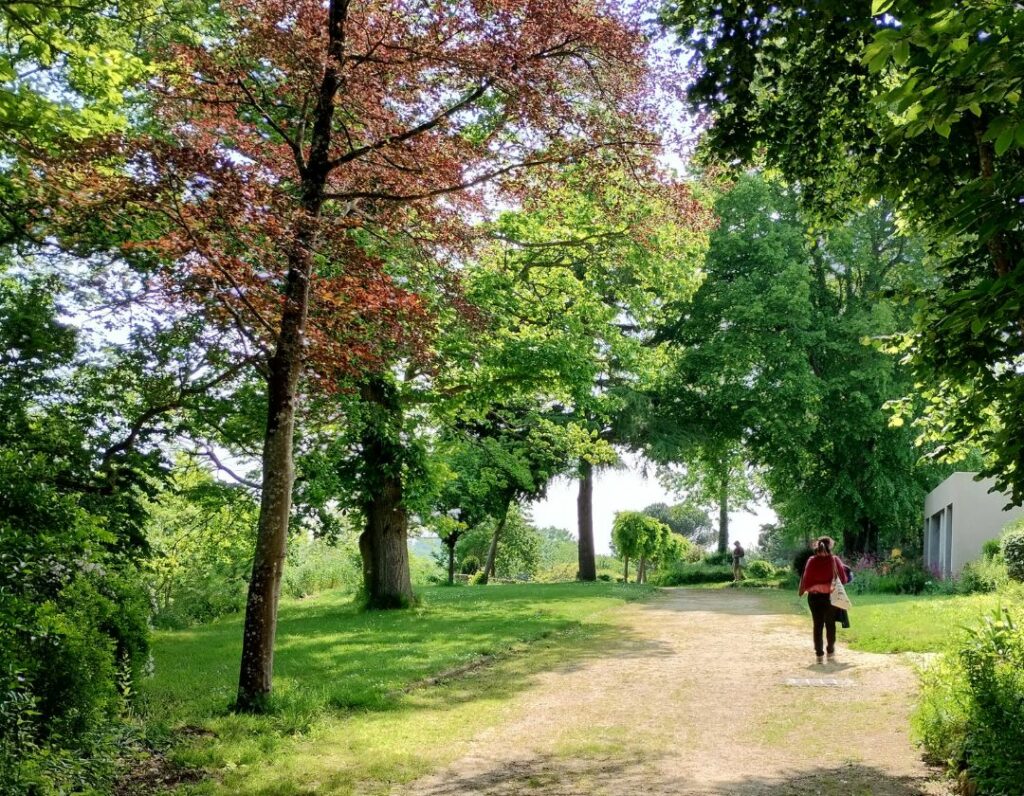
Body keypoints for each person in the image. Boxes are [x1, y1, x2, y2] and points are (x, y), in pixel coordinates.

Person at [797, 536, 849, 664]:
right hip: (830, 597)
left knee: (817, 625)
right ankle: (830, 651)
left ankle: (819, 655)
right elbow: (843, 579)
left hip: (814, 598)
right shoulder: (834, 560)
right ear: (830, 546)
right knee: (830, 624)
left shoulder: (811, 561)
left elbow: (806, 580)